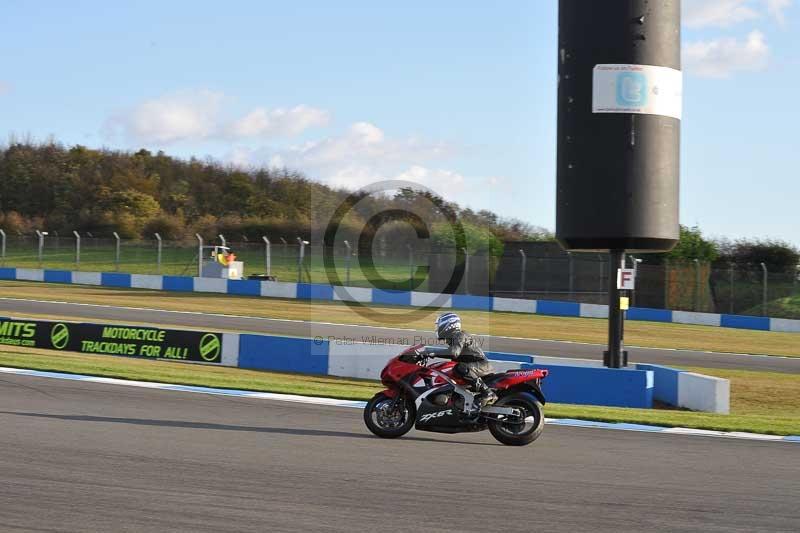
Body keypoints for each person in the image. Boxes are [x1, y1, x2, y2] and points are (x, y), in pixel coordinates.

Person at [434, 312, 497, 407]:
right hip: (474, 368)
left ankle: (488, 393)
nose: (437, 328)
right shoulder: (453, 340)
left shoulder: (460, 335)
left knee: (460, 368)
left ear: (448, 324)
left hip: (481, 366)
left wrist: (431, 352)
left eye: (439, 325)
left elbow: (454, 353)